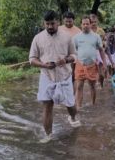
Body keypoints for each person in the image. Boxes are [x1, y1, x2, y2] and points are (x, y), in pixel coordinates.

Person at [29, 10, 80, 143]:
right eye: (47, 24)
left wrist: (66, 60)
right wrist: (44, 65)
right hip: (46, 76)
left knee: (70, 105)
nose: (50, 26)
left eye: (52, 23)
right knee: (47, 105)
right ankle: (48, 135)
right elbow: (32, 59)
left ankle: (73, 117)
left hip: (65, 76)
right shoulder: (38, 38)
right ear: (44, 23)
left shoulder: (67, 37)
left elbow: (75, 55)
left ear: (58, 22)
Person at [73, 15, 108, 109]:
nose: (85, 25)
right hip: (80, 64)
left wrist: (104, 63)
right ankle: (78, 107)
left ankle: (93, 105)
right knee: (79, 86)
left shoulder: (96, 36)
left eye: (87, 24)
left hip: (92, 65)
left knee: (92, 86)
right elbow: (73, 51)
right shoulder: (76, 37)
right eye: (83, 24)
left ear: (90, 24)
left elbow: (101, 50)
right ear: (81, 25)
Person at [59, 12, 82, 93]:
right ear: (63, 21)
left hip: (73, 57)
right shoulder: (59, 29)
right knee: (61, 75)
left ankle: (72, 94)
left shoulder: (78, 31)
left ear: (73, 21)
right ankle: (62, 92)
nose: (68, 23)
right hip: (61, 56)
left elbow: (80, 45)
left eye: (70, 21)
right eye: (66, 21)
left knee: (72, 76)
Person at [90, 14, 113, 88]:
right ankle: (94, 84)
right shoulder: (88, 31)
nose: (93, 23)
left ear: (97, 22)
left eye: (95, 22)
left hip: (100, 52)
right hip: (91, 53)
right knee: (93, 70)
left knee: (102, 69)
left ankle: (101, 83)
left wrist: (104, 46)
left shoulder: (101, 30)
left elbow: (105, 40)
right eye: (92, 22)